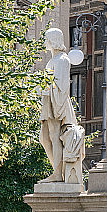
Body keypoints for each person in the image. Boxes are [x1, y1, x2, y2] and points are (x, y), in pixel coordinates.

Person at [39, 27, 85, 185]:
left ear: (53, 40)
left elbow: (63, 86)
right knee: (44, 139)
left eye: (47, 38)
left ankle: (58, 173)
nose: (45, 41)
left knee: (53, 137)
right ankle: (57, 170)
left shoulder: (63, 60)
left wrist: (44, 86)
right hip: (49, 101)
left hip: (56, 102)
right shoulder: (52, 60)